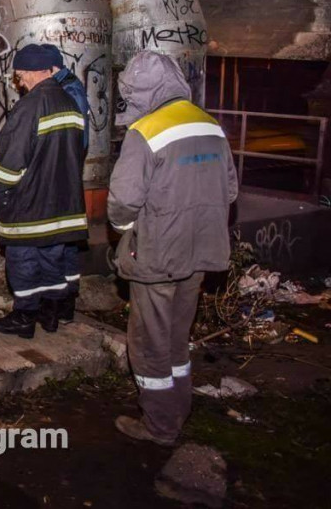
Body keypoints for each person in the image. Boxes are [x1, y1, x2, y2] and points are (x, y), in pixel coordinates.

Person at [108, 50, 237, 446]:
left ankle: (159, 426)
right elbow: (230, 190)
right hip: (199, 253)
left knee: (149, 342)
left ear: (139, 91)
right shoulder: (210, 125)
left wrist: (127, 231)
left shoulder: (145, 131)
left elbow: (123, 201)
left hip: (157, 256)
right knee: (178, 337)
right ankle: (179, 409)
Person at [0, 43, 88, 339]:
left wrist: (2, 195)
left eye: (19, 76)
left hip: (30, 206)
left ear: (27, 72)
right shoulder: (70, 103)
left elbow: (12, 160)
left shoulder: (29, 107)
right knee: (53, 262)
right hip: (63, 205)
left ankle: (24, 318)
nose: (19, 81)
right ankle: (51, 315)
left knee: (24, 263)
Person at [47, 45, 90, 322]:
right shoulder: (68, 86)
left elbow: (75, 141)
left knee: (60, 243)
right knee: (65, 242)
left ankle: (62, 304)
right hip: (65, 175)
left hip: (62, 177)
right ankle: (64, 304)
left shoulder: (69, 92)